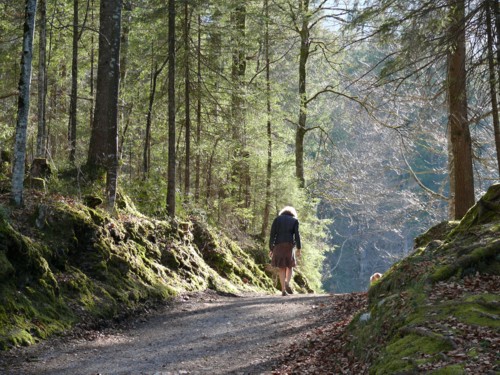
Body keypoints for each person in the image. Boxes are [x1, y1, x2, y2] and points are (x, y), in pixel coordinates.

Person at [269, 206, 301, 296]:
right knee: (289, 266)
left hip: (278, 245)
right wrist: (299, 248)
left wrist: (271, 248)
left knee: (281, 267)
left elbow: (272, 235)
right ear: (292, 213)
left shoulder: (277, 220)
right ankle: (287, 282)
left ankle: (283, 290)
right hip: (289, 246)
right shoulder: (294, 220)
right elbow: (297, 235)